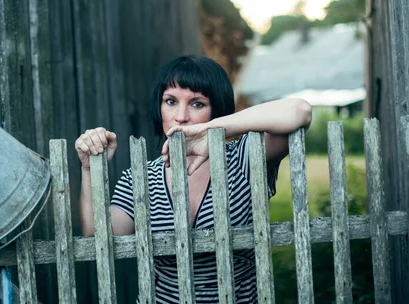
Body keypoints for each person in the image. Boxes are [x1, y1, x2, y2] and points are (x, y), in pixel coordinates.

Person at [75, 54, 312, 303]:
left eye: (197, 104)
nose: (181, 116)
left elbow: (300, 111)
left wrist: (213, 131)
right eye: (170, 101)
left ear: (216, 110)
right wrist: (90, 169)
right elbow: (97, 235)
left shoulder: (244, 159)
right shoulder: (141, 177)